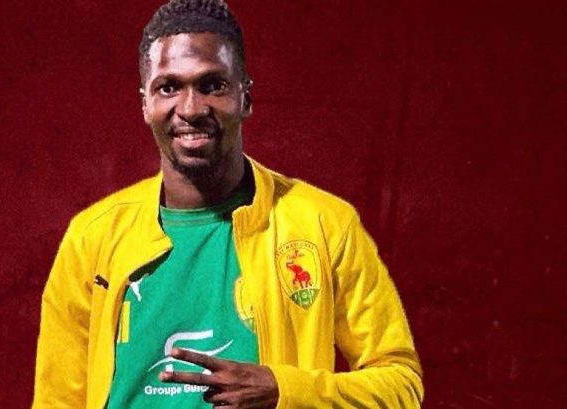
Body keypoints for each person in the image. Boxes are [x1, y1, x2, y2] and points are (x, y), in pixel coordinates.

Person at [32, 0, 423, 408]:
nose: (191, 109)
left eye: (212, 85)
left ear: (245, 97)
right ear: (145, 104)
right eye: (168, 87)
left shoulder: (324, 226)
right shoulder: (92, 238)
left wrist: (285, 391)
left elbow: (401, 386)